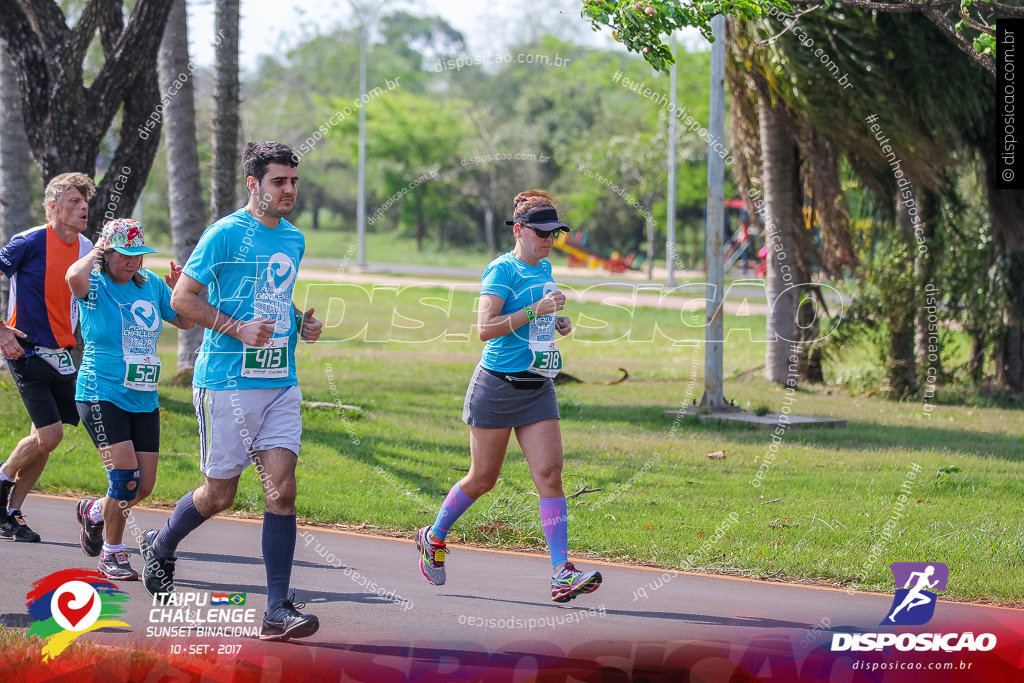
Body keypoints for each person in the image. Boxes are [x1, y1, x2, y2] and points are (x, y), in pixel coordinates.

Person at [139, 141, 323, 642]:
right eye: (279, 181)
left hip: (279, 379)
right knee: (220, 494)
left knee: (281, 490)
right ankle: (162, 543)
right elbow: (183, 299)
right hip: (226, 381)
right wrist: (238, 328)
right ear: (253, 184)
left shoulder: (294, 239)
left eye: (293, 181)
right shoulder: (224, 235)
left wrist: (297, 322)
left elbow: (273, 297)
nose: (289, 190)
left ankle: (277, 609)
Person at [416, 190, 603, 603]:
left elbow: (535, 320)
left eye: (555, 233)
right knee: (483, 479)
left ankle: (561, 572)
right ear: (519, 230)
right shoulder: (501, 271)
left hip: (537, 385)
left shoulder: (545, 267)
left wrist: (557, 320)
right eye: (542, 233)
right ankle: (434, 536)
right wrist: (537, 310)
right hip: (497, 386)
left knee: (550, 475)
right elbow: (486, 327)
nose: (549, 240)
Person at [67, 218, 193, 579]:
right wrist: (95, 251)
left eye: (139, 256)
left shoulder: (150, 284)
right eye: (125, 255)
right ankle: (112, 553)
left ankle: (94, 512)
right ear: (107, 254)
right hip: (100, 392)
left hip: (143, 397)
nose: (133, 263)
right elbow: (71, 278)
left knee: (144, 485)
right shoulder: (94, 283)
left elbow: (185, 322)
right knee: (124, 478)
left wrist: (180, 290)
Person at [0, 172, 96, 542]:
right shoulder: (28, 241)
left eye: (85, 201)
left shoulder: (88, 248)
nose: (83, 206)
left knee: (42, 441)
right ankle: (3, 479)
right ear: (52, 207)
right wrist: (2, 331)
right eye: (73, 201)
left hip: (65, 355)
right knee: (50, 435)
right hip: (24, 349)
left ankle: (10, 513)